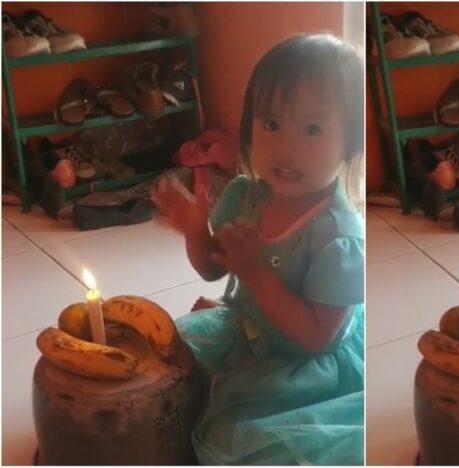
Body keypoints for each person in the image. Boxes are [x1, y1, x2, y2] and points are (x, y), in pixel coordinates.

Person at [152, 34, 365, 465]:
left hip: (304, 365)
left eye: (312, 128)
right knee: (163, 360)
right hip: (247, 331)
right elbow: (214, 266)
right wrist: (196, 231)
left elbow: (316, 338)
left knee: (252, 439)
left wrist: (256, 275)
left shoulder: (339, 240)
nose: (286, 147)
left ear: (350, 142)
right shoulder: (246, 196)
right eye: (270, 124)